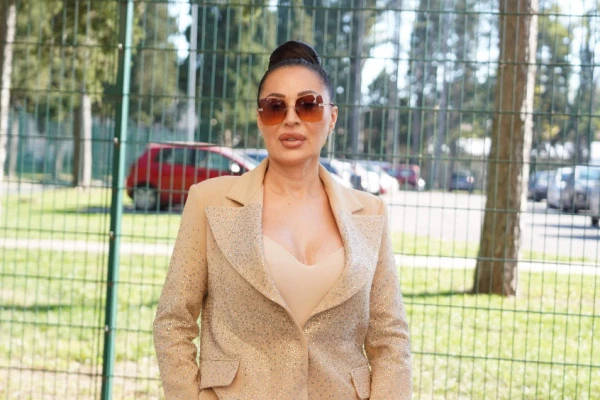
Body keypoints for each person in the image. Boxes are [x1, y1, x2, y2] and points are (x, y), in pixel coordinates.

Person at [153, 40, 412, 399]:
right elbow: (173, 322)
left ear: (332, 117)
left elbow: (391, 339)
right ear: (260, 118)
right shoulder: (209, 202)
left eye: (308, 105)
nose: (291, 118)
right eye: (276, 107)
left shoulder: (370, 213)